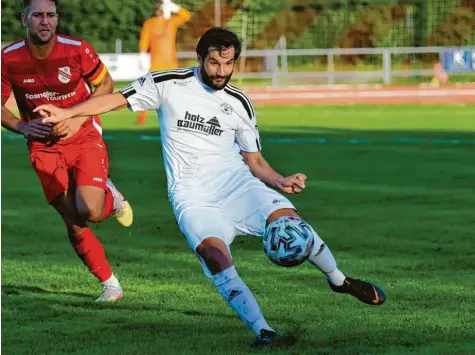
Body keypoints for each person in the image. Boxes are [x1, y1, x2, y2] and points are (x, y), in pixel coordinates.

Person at [35, 27, 386, 345]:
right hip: (192, 198)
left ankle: (339, 280)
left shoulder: (238, 103)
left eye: (228, 63)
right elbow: (115, 100)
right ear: (201, 58)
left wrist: (280, 180)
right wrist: (69, 113)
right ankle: (264, 331)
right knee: (215, 257)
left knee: (292, 228)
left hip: (238, 186)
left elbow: (255, 162)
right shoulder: (168, 83)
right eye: (215, 62)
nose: (221, 71)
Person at [1, 0, 134, 302]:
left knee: (92, 210)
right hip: (43, 147)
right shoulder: (8, 58)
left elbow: (106, 84)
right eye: (38, 16)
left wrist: (77, 119)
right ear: (25, 19)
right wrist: (22, 126)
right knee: (73, 219)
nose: (45, 22)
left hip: (84, 136)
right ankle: (110, 285)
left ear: (57, 19)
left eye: (50, 15)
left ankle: (110, 197)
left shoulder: (77, 49)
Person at [136, 0, 190, 125]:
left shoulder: (171, 22)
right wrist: (142, 55)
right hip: (156, 63)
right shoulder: (150, 23)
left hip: (171, 63)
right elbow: (144, 40)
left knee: (174, 91)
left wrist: (174, 7)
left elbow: (186, 16)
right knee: (149, 89)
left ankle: (177, 115)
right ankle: (141, 117)